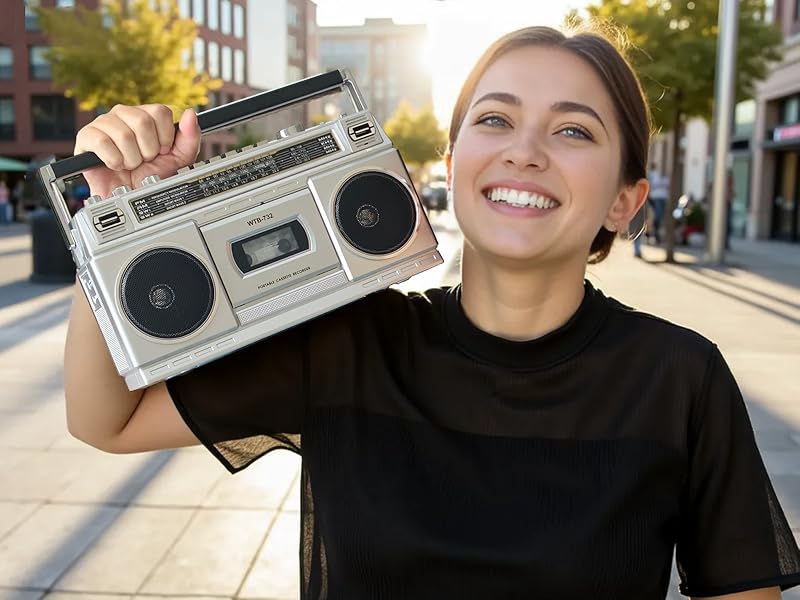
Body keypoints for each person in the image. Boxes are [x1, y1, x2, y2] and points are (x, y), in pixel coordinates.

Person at [63, 24, 800, 600]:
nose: (526, 152)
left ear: (624, 200)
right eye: (495, 120)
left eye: (573, 130)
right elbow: (108, 420)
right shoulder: (352, 342)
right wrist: (117, 215)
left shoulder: (678, 377)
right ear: (452, 165)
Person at [648, 164, 669, 244]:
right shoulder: (653, 174)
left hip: (662, 198)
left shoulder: (665, 175)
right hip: (655, 198)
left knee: (659, 217)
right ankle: (654, 234)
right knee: (657, 217)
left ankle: (656, 234)